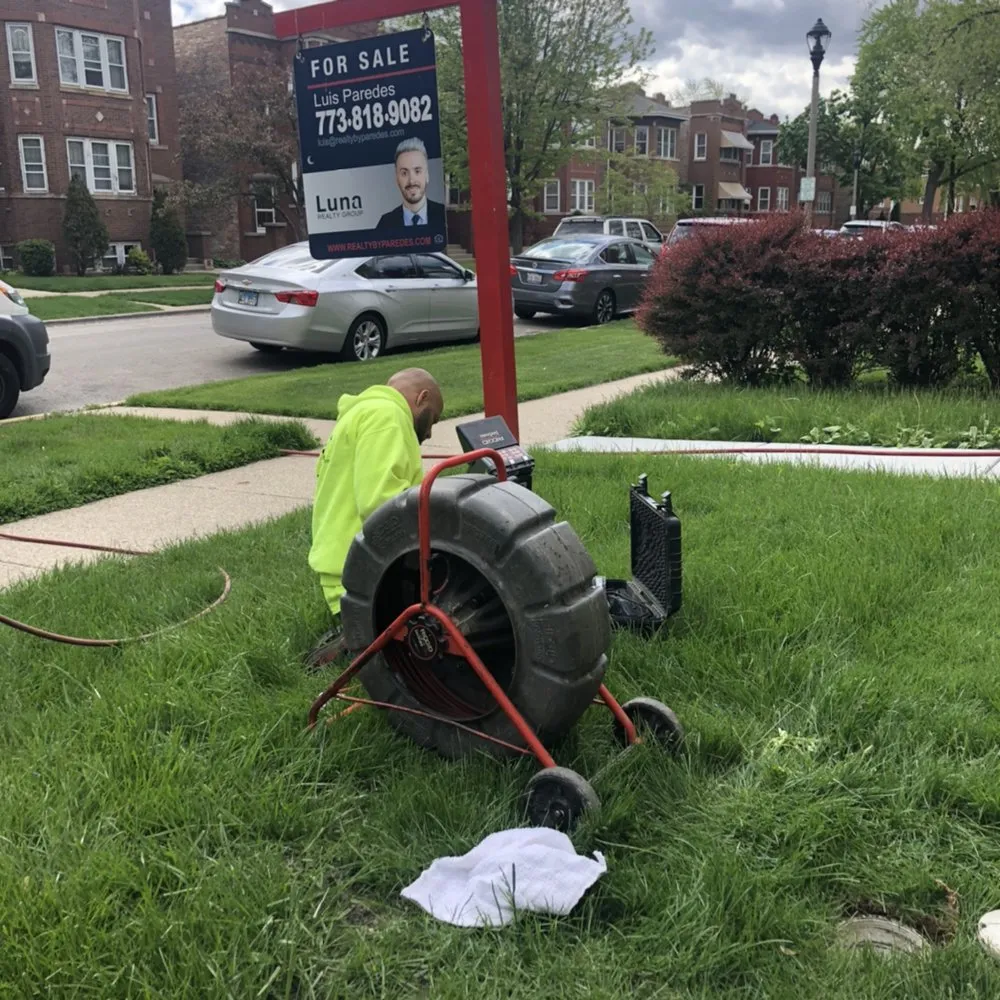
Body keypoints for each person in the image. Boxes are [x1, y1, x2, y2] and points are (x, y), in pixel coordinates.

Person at [305, 368, 444, 670]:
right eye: (432, 418)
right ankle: (356, 639)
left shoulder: (364, 413)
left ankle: (356, 634)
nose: (430, 432)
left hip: (343, 561)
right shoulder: (386, 416)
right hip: (363, 573)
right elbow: (381, 503)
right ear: (422, 398)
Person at [376, 137, 447, 231]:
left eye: (417, 171)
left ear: (427, 176)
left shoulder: (445, 216)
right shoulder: (385, 224)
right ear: (397, 179)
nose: (411, 181)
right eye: (404, 173)